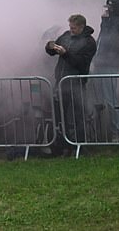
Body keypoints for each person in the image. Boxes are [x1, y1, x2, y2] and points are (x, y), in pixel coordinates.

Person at [45, 14, 97, 151]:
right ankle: (62, 146)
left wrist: (65, 53)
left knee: (78, 117)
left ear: (81, 27)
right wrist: (50, 47)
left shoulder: (89, 42)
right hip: (61, 83)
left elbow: (82, 63)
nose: (71, 30)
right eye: (70, 27)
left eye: (73, 28)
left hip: (77, 83)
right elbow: (52, 51)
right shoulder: (65, 36)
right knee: (59, 116)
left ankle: (80, 147)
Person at [95, 0, 119, 141]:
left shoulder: (114, 23)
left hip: (111, 65)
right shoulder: (108, 23)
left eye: (108, 8)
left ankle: (116, 131)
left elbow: (109, 43)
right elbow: (101, 43)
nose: (106, 11)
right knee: (109, 100)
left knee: (112, 101)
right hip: (104, 64)